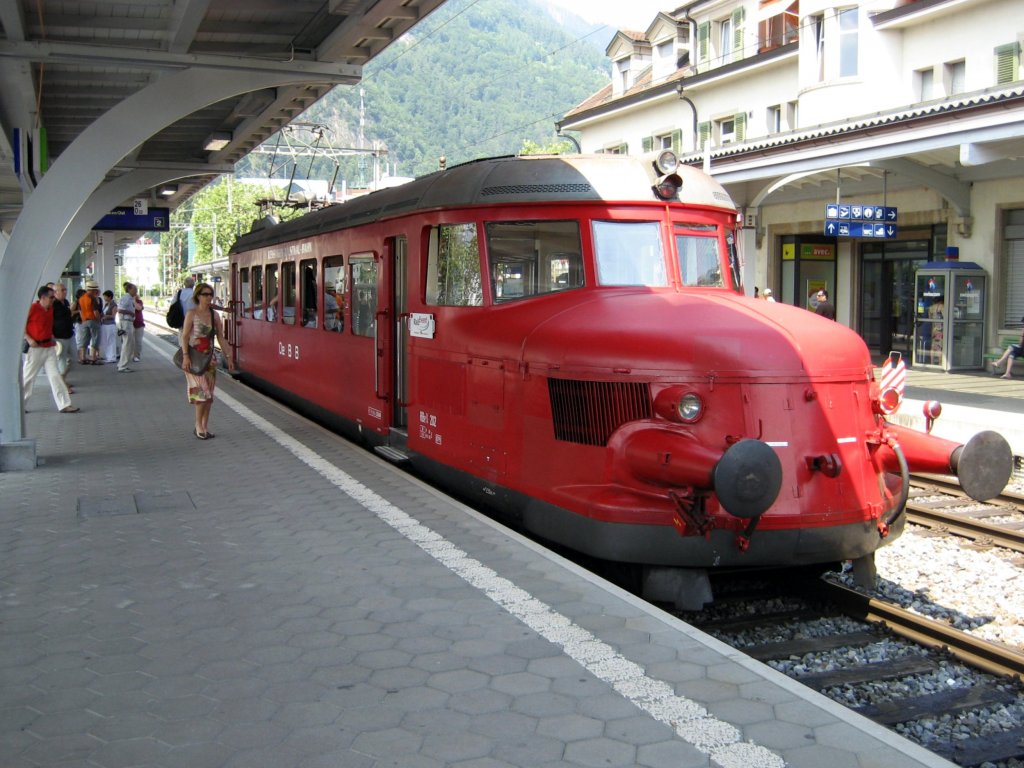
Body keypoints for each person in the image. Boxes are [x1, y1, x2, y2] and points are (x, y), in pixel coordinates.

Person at [179, 282, 235, 439]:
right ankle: (198, 425)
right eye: (205, 294)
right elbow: (184, 336)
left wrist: (228, 356)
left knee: (209, 395)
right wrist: (185, 356)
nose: (209, 297)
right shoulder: (192, 314)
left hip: (209, 359)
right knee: (201, 393)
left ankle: (204, 426)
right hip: (194, 359)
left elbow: (221, 337)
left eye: (210, 294)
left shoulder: (214, 315)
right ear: (198, 296)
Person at [23, 285, 79, 413]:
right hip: (35, 348)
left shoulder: (51, 309)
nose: (53, 299)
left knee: (56, 376)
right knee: (28, 377)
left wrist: (52, 337)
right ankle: (20, 405)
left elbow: (49, 326)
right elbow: (21, 326)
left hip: (49, 348)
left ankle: (64, 404)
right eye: (51, 297)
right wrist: (29, 339)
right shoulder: (32, 308)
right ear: (42, 297)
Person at [51, 283, 75, 392]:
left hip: (69, 334)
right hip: (59, 337)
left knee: (72, 360)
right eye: (62, 290)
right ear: (55, 292)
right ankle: (61, 384)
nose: (65, 291)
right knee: (62, 361)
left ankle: (62, 379)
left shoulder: (65, 302)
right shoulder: (53, 305)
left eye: (65, 289)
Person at [76, 280, 103, 364]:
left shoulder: (81, 299)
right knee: (95, 339)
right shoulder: (92, 298)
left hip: (84, 321)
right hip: (93, 320)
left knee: (84, 339)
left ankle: (82, 358)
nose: (96, 291)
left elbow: (80, 311)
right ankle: (93, 358)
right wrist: (99, 320)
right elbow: (95, 312)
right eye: (95, 290)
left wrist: (83, 319)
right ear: (93, 290)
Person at [115, 282, 138, 372]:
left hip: (127, 322)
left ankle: (121, 364)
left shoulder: (129, 298)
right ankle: (123, 366)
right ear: (129, 289)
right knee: (128, 345)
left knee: (127, 344)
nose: (136, 291)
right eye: (134, 289)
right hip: (126, 323)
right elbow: (120, 309)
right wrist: (131, 313)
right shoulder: (127, 298)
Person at [132, 289, 145, 362]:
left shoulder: (139, 302)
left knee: (138, 341)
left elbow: (138, 308)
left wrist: (134, 301)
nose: (135, 295)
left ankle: (137, 356)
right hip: (130, 323)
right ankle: (131, 354)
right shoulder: (128, 301)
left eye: (136, 294)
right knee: (131, 341)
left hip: (139, 323)